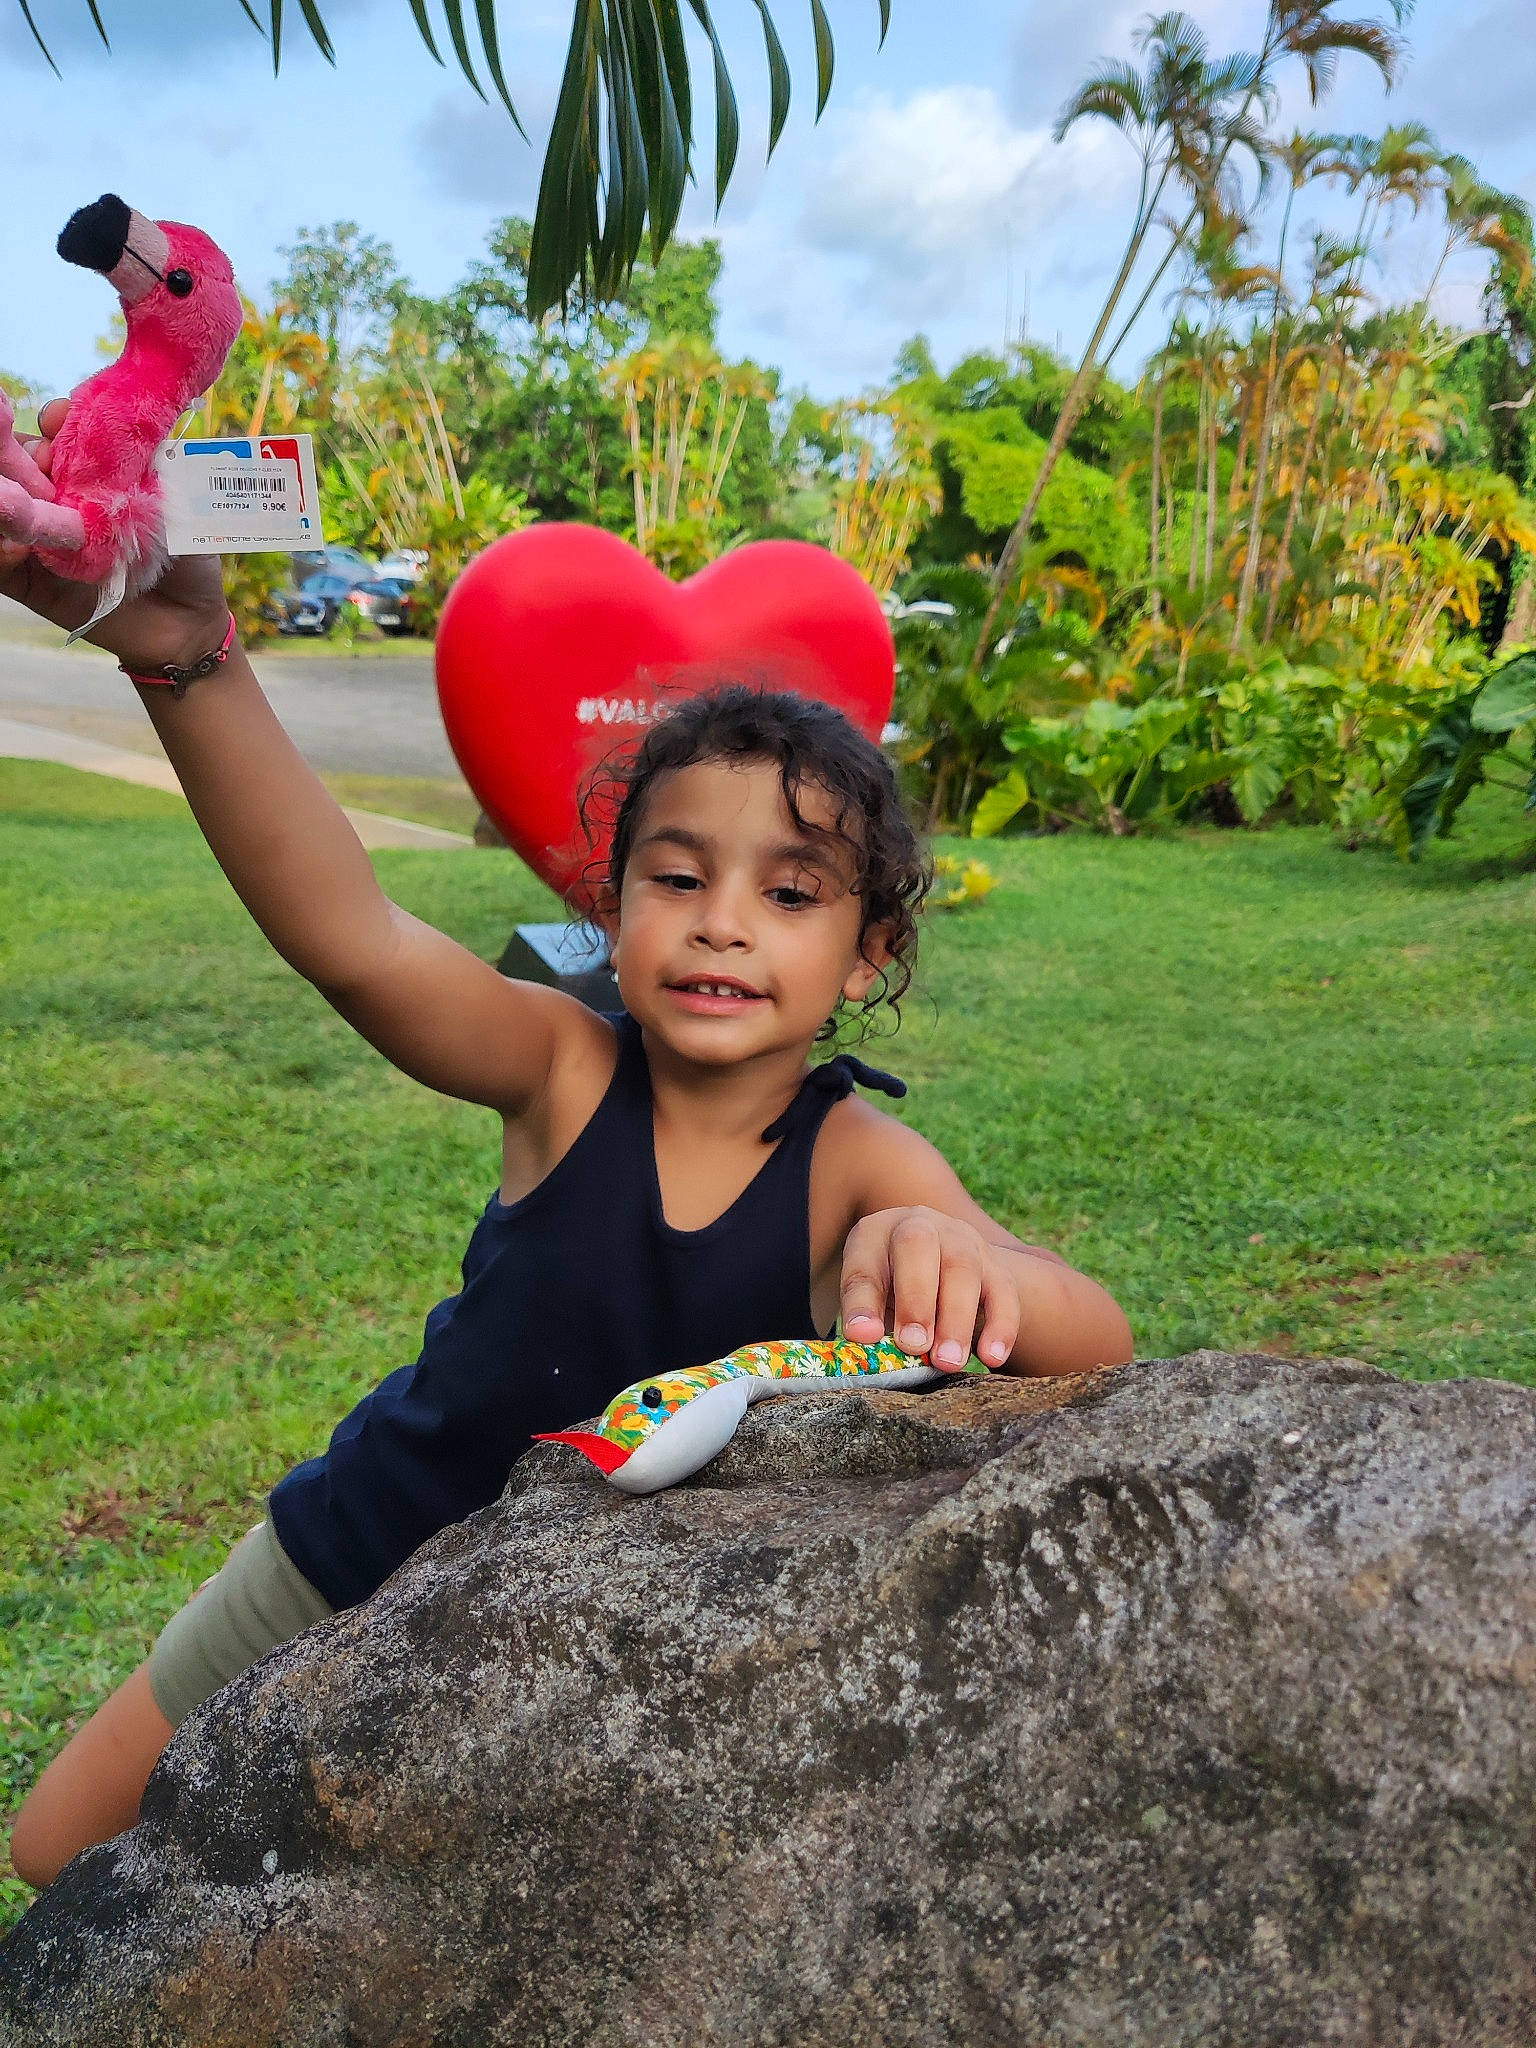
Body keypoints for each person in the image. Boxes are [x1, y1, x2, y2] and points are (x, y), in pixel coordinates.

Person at [3, 399, 1134, 1891]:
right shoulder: (558, 1063)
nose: (726, 917)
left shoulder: (857, 1165)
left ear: (871, 954)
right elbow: (350, 935)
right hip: (350, 1555)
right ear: (612, 908)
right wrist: (181, 656)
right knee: (55, 1849)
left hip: (565, 1656)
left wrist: (951, 1254)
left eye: (793, 895)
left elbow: (1093, 1339)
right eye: (680, 875)